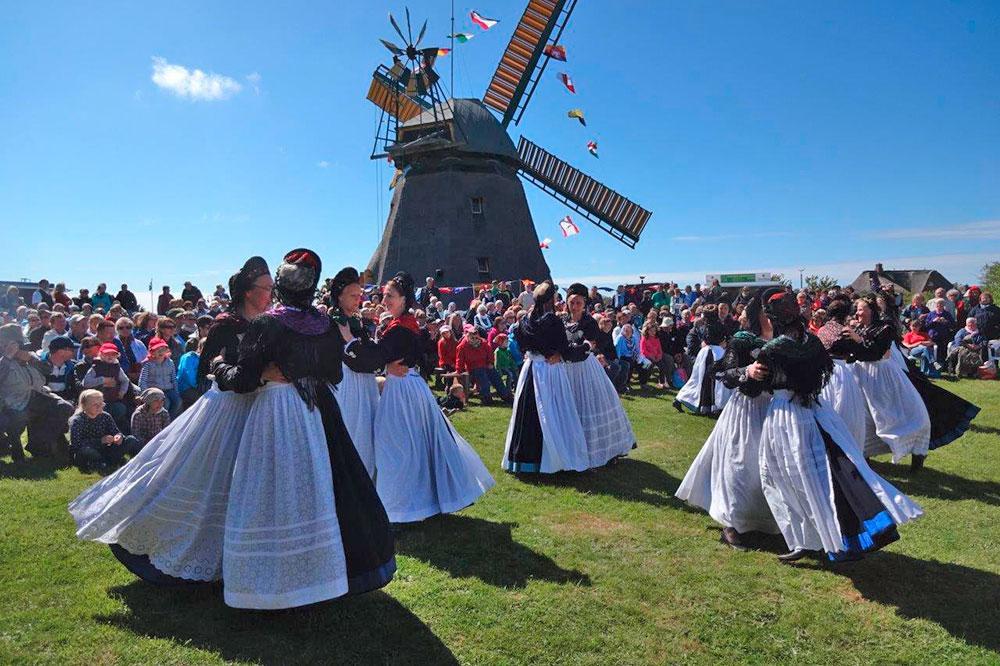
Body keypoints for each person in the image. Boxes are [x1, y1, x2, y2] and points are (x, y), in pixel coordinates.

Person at [71, 256, 276, 592]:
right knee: (202, 475)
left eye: (271, 288)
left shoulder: (268, 322)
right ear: (248, 292)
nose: (270, 293)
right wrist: (243, 372)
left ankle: (238, 554)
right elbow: (203, 371)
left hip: (257, 408)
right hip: (226, 408)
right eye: (264, 288)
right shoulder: (226, 324)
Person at [756, 291, 923, 562]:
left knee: (788, 476)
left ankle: (813, 539)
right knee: (824, 471)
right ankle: (816, 537)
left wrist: (744, 374)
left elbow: (756, 386)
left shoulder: (775, 348)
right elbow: (820, 374)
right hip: (816, 409)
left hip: (787, 414)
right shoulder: (812, 341)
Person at [343, 271, 494, 523]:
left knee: (395, 447)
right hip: (409, 387)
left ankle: (400, 509)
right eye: (384, 295)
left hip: (402, 390)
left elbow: (375, 357)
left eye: (390, 295)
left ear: (404, 298)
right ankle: (415, 503)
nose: (385, 299)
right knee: (411, 447)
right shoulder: (404, 325)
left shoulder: (400, 329)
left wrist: (349, 343)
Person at [676, 292, 778, 550]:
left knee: (769, 466)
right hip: (746, 410)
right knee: (740, 465)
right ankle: (731, 523)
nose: (772, 317)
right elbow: (722, 372)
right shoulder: (743, 340)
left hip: (775, 411)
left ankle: (768, 521)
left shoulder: (785, 341)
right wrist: (747, 371)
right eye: (768, 312)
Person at [502, 281, 591, 474]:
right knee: (552, 412)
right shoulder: (553, 321)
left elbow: (521, 343)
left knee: (527, 413)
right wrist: (584, 348)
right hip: (550, 371)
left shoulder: (524, 321)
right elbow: (564, 349)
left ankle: (523, 461)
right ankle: (554, 460)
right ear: (551, 299)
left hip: (531, 368)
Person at [846, 296, 931, 470]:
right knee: (865, 418)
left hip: (882, 375)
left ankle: (918, 454)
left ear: (871, 310)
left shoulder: (885, 327)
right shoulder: (859, 328)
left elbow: (876, 352)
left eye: (861, 309)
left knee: (905, 414)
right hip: (861, 375)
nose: (857, 312)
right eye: (857, 309)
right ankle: (866, 459)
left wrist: (857, 339)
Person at [329, 266, 380, 479]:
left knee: (368, 431)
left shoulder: (357, 320)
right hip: (346, 382)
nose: (358, 299)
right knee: (352, 429)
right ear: (339, 297)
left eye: (359, 295)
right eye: (353, 295)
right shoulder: (333, 322)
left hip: (365, 382)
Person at [0, 323, 75, 459]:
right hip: (12, 402)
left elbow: (48, 369)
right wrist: (8, 358)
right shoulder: (3, 360)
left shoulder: (29, 356)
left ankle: (38, 443)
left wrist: (31, 359)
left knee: (64, 407)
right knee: (19, 416)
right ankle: (14, 446)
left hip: (37, 395)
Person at [814, 299, 867, 451]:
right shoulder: (845, 331)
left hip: (824, 370)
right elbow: (856, 351)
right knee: (845, 411)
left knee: (828, 405)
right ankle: (847, 447)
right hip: (841, 370)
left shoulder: (822, 329)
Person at [674, 307, 732, 415]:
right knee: (714, 381)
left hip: (705, 353)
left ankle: (680, 399)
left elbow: (706, 340)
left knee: (697, 379)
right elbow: (727, 338)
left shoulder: (705, 327)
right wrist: (723, 343)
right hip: (716, 353)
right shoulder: (720, 326)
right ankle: (712, 406)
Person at [69, 390, 142, 472]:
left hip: (106, 449)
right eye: (95, 405)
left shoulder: (105, 416)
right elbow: (76, 444)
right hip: (91, 451)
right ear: (85, 406)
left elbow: (116, 432)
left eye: (101, 404)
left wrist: (119, 437)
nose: (99, 407)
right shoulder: (77, 420)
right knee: (86, 451)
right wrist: (101, 441)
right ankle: (107, 463)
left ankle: (138, 462)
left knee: (131, 440)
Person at [455, 324, 513, 405]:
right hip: (473, 368)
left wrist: (490, 362)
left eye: (475, 333)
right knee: (482, 377)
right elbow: (459, 360)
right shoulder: (462, 346)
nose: (474, 336)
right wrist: (459, 370)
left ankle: (506, 396)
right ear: (467, 334)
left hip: (485, 365)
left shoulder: (483, 342)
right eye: (471, 334)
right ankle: (486, 397)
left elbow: (490, 354)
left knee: (495, 376)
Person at [81, 342, 131, 434]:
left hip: (113, 399)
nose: (110, 356)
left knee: (121, 408)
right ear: (101, 354)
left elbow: (125, 381)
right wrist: (103, 380)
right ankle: (101, 432)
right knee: (102, 411)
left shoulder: (117, 368)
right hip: (97, 401)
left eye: (113, 354)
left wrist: (122, 392)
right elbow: (86, 383)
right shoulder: (95, 367)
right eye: (107, 354)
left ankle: (115, 431)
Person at [139, 338, 180, 418]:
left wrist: (176, 391)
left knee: (177, 401)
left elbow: (173, 378)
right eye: (157, 350)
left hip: (169, 389)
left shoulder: (170, 362)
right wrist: (146, 394)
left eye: (163, 349)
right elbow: (142, 381)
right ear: (152, 352)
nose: (160, 352)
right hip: (155, 391)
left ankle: (170, 421)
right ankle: (160, 421)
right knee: (166, 403)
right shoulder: (148, 364)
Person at [41, 336, 80, 402]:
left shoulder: (72, 366)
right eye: (72, 350)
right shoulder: (39, 364)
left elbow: (74, 388)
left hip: (65, 401)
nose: (74, 353)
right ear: (61, 351)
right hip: (44, 401)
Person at [924, 299, 955, 367]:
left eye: (941, 304)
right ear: (935, 305)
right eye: (938, 304)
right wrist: (933, 321)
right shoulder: (931, 314)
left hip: (944, 336)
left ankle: (943, 367)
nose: (939, 305)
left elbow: (953, 325)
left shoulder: (947, 314)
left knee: (943, 352)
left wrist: (945, 321)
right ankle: (933, 366)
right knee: (932, 351)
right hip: (933, 337)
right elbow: (926, 326)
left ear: (944, 305)